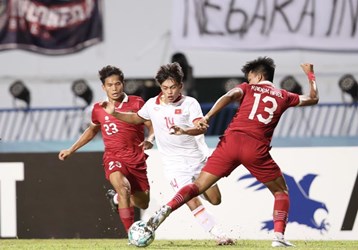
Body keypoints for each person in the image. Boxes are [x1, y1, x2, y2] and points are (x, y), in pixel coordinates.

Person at [145, 57, 319, 247]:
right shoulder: (284, 95)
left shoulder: (247, 88)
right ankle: (278, 237)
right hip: (256, 148)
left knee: (198, 187)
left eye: (250, 77)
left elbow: (228, 96)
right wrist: (310, 74)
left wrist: (208, 116)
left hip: (231, 142)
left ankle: (168, 207)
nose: (249, 80)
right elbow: (313, 98)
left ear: (259, 76)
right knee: (281, 191)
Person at [101, 62, 234, 245]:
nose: (169, 92)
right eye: (165, 88)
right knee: (191, 200)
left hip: (198, 160)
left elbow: (199, 127)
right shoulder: (151, 105)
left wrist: (186, 130)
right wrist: (115, 113)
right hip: (175, 166)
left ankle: (197, 190)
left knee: (215, 199)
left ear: (181, 85)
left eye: (173, 87)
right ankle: (220, 235)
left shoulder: (190, 103)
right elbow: (136, 118)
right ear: (160, 87)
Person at [58, 65, 154, 234]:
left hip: (136, 158)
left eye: (117, 84)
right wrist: (71, 149)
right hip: (113, 157)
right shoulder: (98, 108)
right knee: (123, 188)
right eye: (109, 85)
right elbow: (92, 130)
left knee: (143, 202)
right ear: (103, 87)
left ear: (122, 84)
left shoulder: (137, 102)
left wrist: (150, 139)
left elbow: (151, 126)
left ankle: (116, 198)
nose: (114, 88)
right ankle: (132, 234)